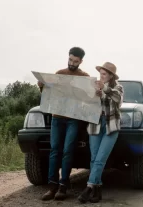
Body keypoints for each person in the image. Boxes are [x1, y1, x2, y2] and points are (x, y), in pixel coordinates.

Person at [39, 47, 90, 201]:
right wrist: (42, 86)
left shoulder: (84, 77)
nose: (72, 63)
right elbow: (48, 95)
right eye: (70, 60)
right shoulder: (59, 73)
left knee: (68, 150)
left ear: (81, 61)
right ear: (68, 57)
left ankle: (63, 186)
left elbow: (89, 99)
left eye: (75, 61)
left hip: (73, 118)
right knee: (55, 150)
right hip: (57, 117)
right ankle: (52, 186)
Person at [78, 62, 124, 203]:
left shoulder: (118, 87)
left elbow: (118, 100)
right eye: (100, 74)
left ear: (111, 76)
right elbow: (85, 105)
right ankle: (97, 191)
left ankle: (89, 187)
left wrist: (104, 89)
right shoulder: (94, 87)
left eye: (104, 74)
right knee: (94, 159)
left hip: (111, 127)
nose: (101, 76)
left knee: (100, 159)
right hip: (95, 125)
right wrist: (95, 96)